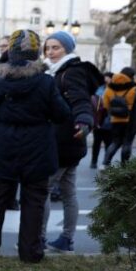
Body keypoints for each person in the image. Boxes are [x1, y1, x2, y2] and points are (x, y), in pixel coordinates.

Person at [0, 30, 70, 263]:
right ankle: (30, 251)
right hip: (37, 147)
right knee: (34, 201)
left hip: (2, 145)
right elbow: (62, 114)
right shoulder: (45, 82)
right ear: (36, 53)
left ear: (11, 51)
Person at [40, 31, 100, 253]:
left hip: (64, 141)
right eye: (48, 48)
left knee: (43, 189)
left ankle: (39, 237)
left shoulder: (70, 72)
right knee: (68, 192)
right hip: (70, 141)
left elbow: (81, 101)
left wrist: (84, 121)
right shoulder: (55, 71)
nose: (50, 52)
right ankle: (67, 239)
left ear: (67, 48)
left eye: (56, 47)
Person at [102, 67, 136, 166]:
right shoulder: (134, 88)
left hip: (115, 120)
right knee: (127, 143)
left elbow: (105, 105)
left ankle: (105, 163)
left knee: (115, 142)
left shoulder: (109, 88)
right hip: (130, 120)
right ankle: (124, 166)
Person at [90, 71, 113, 169]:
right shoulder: (98, 88)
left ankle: (106, 162)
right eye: (105, 77)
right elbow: (94, 102)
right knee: (97, 143)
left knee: (109, 143)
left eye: (108, 77)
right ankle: (94, 161)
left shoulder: (114, 89)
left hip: (110, 120)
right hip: (98, 119)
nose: (106, 79)